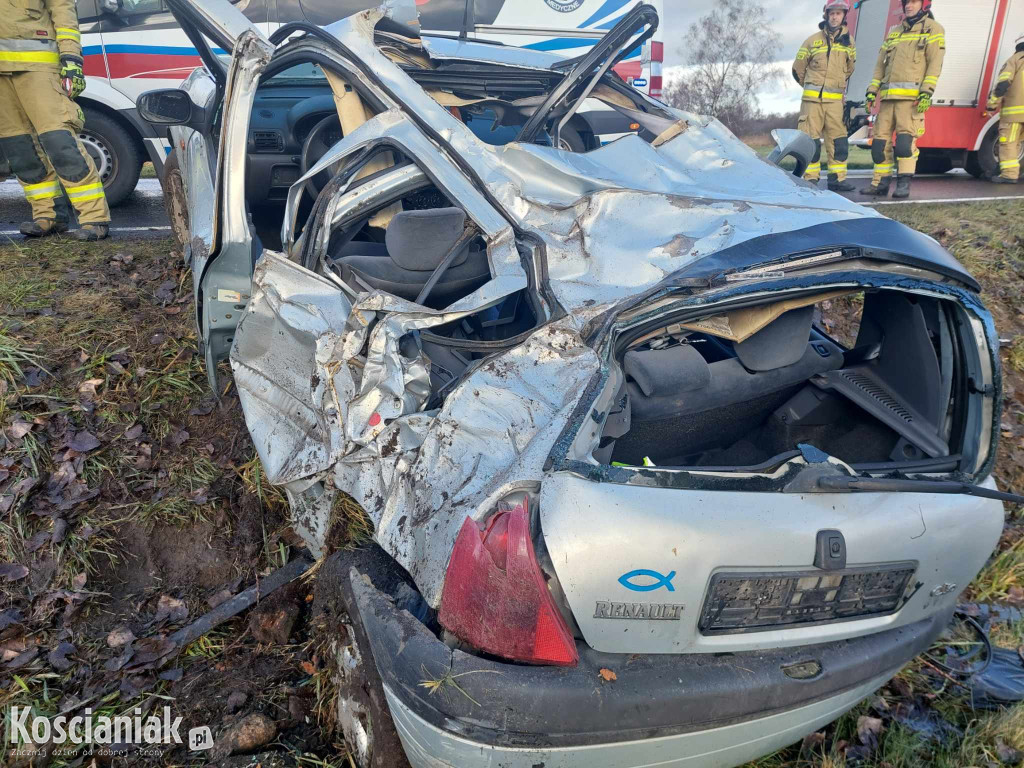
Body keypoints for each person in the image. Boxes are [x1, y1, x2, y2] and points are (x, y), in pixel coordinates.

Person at [0, 0, 110, 239]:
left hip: (39, 67)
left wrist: (71, 57)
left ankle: (94, 218)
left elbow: (62, 9)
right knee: (20, 150)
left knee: (60, 142)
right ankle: (47, 215)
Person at [863, 0, 945, 199]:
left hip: (911, 101)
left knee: (904, 145)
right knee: (879, 146)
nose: (908, 5)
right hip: (887, 100)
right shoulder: (894, 32)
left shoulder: (933, 29)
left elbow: (935, 64)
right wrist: (872, 90)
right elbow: (880, 66)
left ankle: (903, 184)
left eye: (913, 2)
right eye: (906, 2)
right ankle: (879, 184)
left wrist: (927, 91)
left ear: (924, 4)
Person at [793, 0, 857, 191]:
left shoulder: (849, 42)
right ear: (826, 15)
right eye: (832, 13)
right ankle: (810, 179)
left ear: (844, 16)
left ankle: (837, 179)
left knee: (839, 142)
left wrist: (834, 86)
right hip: (812, 102)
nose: (835, 17)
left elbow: (849, 68)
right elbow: (798, 69)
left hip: (835, 103)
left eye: (838, 13)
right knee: (810, 141)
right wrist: (811, 87)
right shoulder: (812, 40)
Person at [986, 33, 1024, 184]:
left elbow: (1003, 84)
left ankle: (1009, 175)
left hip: (1014, 115)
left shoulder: (1015, 60)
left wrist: (992, 104)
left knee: (1009, 143)